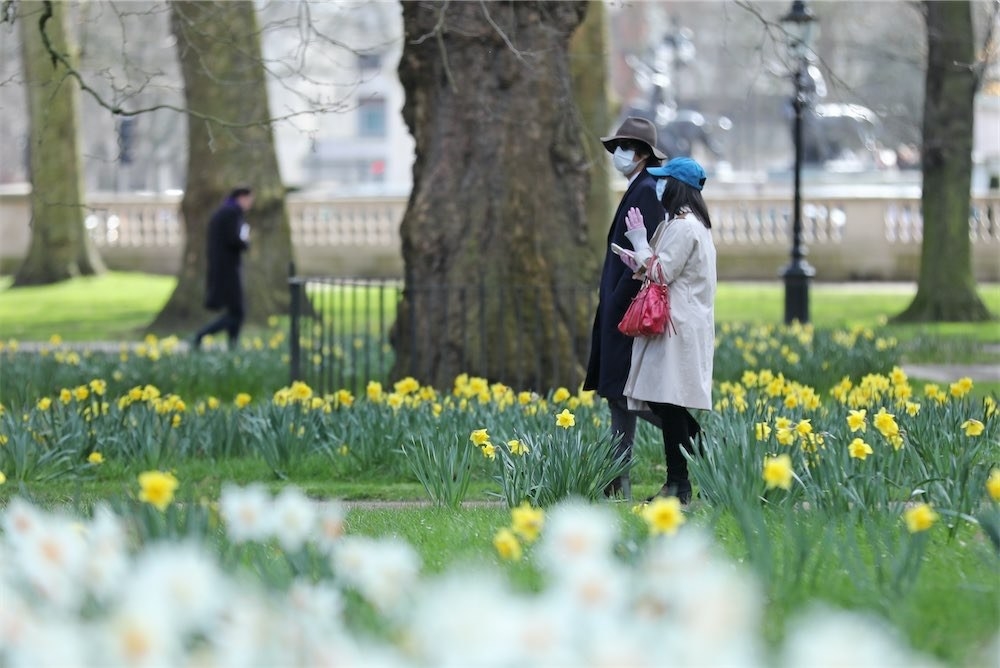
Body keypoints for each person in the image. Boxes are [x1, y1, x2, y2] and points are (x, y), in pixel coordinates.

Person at [619, 157, 717, 504]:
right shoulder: (693, 226)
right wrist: (639, 258)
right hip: (680, 325)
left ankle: (683, 481)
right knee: (667, 403)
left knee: (668, 402)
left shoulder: (684, 227)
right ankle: (682, 481)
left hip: (676, 327)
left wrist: (640, 242)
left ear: (675, 187)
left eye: (664, 181)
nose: (658, 187)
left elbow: (662, 272)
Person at [584, 117, 666, 500]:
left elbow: (641, 256)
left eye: (626, 146)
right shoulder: (637, 188)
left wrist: (617, 303)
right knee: (619, 395)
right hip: (618, 308)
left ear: (643, 154)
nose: (619, 153)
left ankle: (697, 443)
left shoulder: (646, 191)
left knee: (631, 394)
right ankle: (617, 482)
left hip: (627, 311)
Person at [193, 187, 254, 351]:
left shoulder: (225, 212)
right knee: (237, 312)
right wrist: (246, 242)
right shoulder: (231, 213)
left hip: (224, 268)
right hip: (228, 270)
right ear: (241, 197)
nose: (250, 204)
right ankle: (202, 335)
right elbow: (233, 239)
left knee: (236, 311)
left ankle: (232, 346)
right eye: (249, 199)